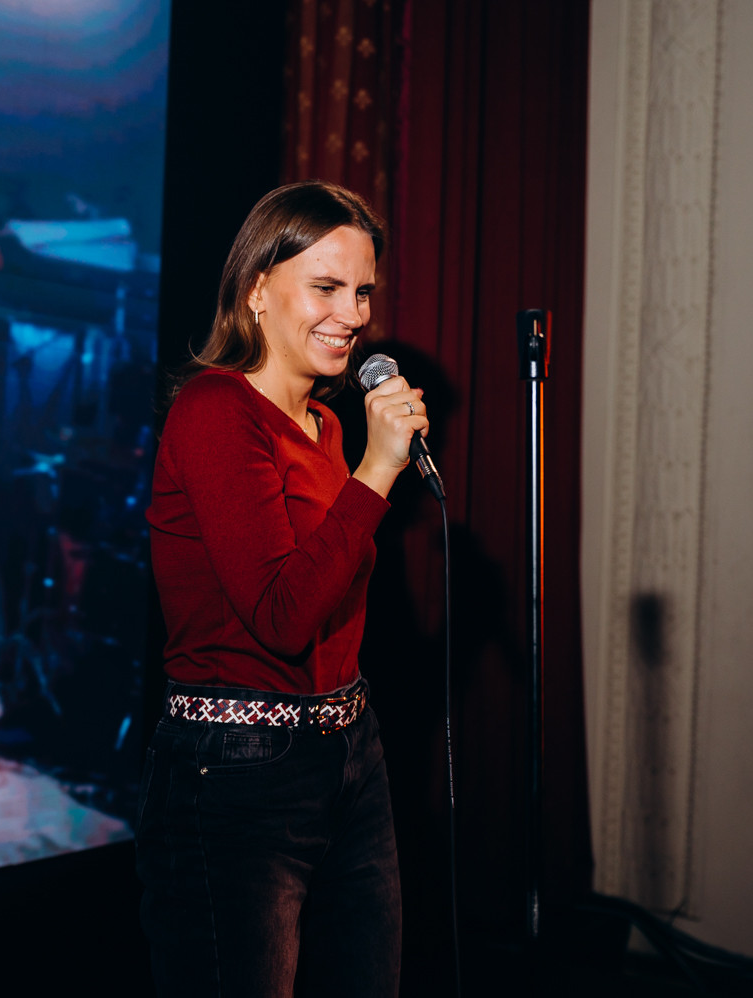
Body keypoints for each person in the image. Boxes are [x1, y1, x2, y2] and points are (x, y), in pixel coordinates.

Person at [137, 181, 429, 997]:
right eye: (326, 287)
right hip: (239, 772)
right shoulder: (214, 410)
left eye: (363, 291)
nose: (353, 314)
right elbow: (280, 616)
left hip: (350, 749)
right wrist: (378, 471)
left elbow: (334, 595)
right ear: (258, 289)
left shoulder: (328, 426)